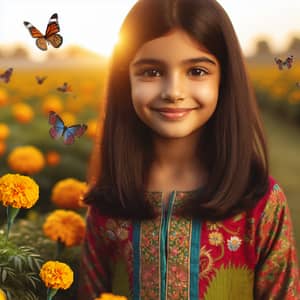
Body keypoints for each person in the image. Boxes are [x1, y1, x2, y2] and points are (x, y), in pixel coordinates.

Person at [78, 0, 300, 299]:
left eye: (196, 71)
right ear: (124, 80)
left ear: (225, 80)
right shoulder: (109, 202)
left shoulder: (260, 203)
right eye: (152, 72)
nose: (174, 91)